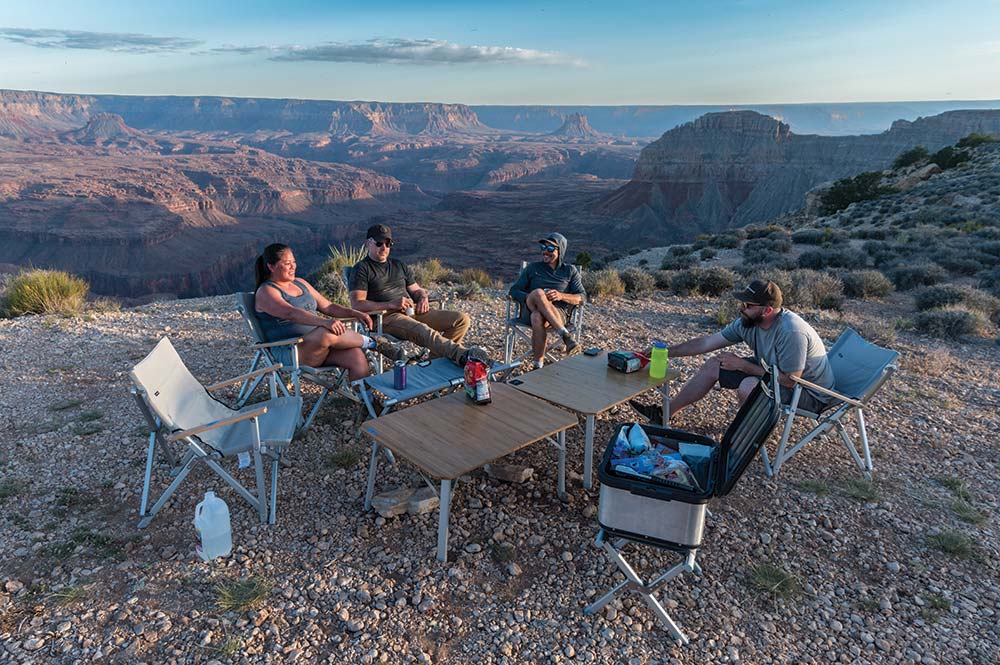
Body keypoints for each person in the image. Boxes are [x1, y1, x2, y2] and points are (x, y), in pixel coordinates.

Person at [629, 279, 835, 425]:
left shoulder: (791, 332)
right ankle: (665, 414)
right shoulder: (748, 322)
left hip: (809, 394)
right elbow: (705, 344)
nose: (741, 308)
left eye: (748, 305)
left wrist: (744, 366)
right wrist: (664, 352)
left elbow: (791, 381)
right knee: (714, 364)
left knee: (749, 386)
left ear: (767, 310)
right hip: (775, 372)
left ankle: (745, 440)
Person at [254, 243, 404, 381]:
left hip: (320, 346)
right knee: (326, 332)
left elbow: (329, 307)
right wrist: (325, 322)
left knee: (355, 355)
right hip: (293, 350)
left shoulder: (300, 283)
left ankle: (369, 402)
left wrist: (355, 313)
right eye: (287, 264)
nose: (293, 266)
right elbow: (290, 313)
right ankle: (374, 343)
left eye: (293, 262)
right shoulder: (266, 292)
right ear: (271, 267)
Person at [348, 224, 487, 366]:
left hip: (410, 311)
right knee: (423, 330)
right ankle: (462, 354)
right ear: (367, 243)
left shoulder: (399, 265)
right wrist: (391, 304)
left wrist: (422, 299)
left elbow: (416, 290)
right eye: (379, 243)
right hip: (385, 318)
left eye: (388, 243)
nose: (384, 247)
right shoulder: (361, 269)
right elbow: (357, 304)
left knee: (461, 320)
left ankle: (436, 365)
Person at [508, 232, 586, 368]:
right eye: (543, 247)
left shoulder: (570, 271)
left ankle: (537, 365)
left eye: (550, 249)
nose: (545, 251)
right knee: (538, 293)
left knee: (537, 317)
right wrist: (530, 297)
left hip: (556, 314)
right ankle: (565, 335)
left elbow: (582, 297)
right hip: (530, 306)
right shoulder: (532, 268)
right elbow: (514, 291)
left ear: (560, 250)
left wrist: (561, 296)